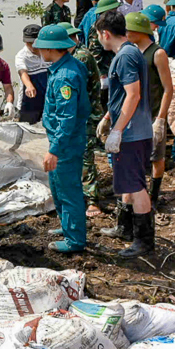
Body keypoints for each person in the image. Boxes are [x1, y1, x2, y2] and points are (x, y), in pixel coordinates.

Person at [95, 11, 156, 258]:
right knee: (129, 184)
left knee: (137, 186)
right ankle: (125, 227)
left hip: (132, 132)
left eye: (99, 35)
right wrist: (108, 117)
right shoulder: (131, 52)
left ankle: (144, 242)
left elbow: (133, 94)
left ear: (105, 34)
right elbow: (122, 96)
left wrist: (117, 131)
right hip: (134, 129)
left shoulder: (124, 57)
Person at [27, 25, 90, 253]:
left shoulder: (65, 76)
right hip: (61, 138)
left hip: (66, 141)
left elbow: (67, 117)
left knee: (68, 188)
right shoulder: (64, 66)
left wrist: (54, 149)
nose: (39, 51)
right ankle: (68, 226)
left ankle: (75, 240)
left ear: (50, 49)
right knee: (57, 185)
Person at [124, 12, 173, 209]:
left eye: (128, 30)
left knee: (156, 157)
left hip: (153, 113)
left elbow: (168, 88)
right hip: (136, 114)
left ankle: (154, 195)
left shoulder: (157, 54)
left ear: (138, 31)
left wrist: (160, 119)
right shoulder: (131, 51)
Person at [68, 23, 104, 217]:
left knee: (85, 155)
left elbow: (76, 91)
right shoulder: (75, 54)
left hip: (87, 114)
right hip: (85, 112)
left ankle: (93, 200)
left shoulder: (80, 58)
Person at [15, 25, 49, 125]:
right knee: (26, 132)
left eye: (35, 42)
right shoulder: (21, 56)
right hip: (29, 101)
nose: (33, 46)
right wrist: (29, 86)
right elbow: (22, 72)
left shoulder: (49, 51)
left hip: (48, 100)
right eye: (29, 43)